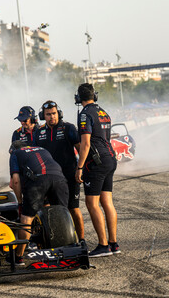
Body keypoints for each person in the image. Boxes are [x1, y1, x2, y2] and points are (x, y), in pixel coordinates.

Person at [75, 83, 119, 257]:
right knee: (107, 202)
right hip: (110, 158)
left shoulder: (85, 114)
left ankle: (103, 245)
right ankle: (114, 243)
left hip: (96, 162)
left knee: (92, 203)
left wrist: (79, 167)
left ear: (78, 98)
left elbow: (85, 144)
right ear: (95, 96)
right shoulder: (104, 112)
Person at [8, 140, 68, 265]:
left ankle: (18, 257)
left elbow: (16, 181)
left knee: (26, 219)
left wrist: (20, 202)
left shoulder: (16, 153)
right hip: (59, 178)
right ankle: (66, 251)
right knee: (62, 215)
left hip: (38, 180)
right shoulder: (41, 148)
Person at [34, 100, 85, 241]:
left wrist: (81, 168)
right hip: (50, 178)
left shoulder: (68, 128)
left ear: (59, 113)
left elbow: (81, 149)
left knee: (73, 209)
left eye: (54, 113)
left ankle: (81, 240)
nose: (52, 117)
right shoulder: (38, 132)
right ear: (43, 116)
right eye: (48, 114)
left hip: (70, 175)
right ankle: (58, 240)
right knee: (53, 210)